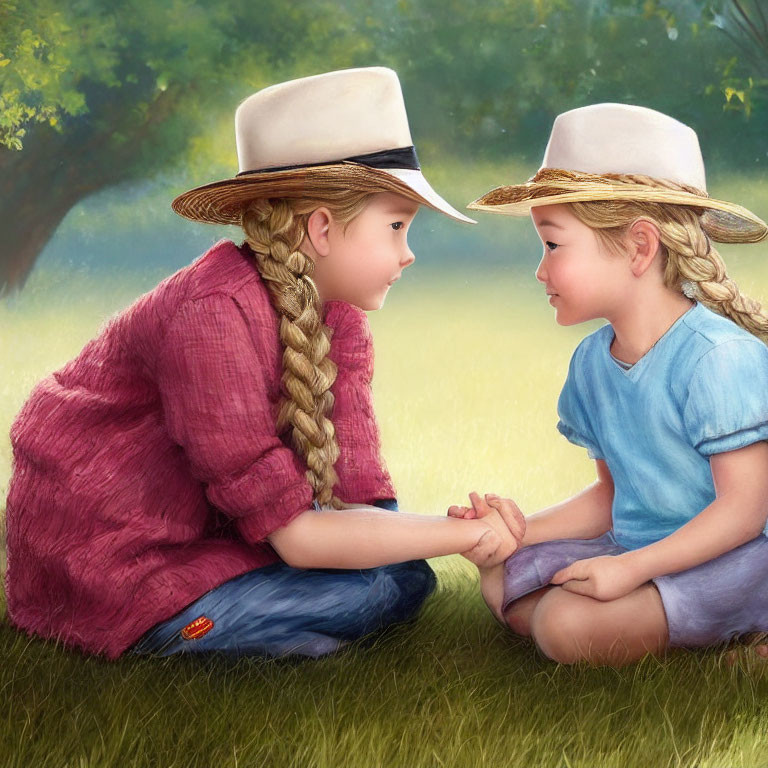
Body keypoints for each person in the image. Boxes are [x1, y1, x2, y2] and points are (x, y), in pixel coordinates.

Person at [4, 67, 524, 661]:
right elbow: (300, 539)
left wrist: (443, 529)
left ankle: (270, 631)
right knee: (379, 581)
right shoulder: (210, 313)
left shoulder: (341, 320)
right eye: (397, 227)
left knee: (406, 577)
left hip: (235, 543)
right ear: (322, 228)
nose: (408, 255)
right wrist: (464, 534)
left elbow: (361, 500)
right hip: (125, 565)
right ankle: (195, 633)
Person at [451, 103, 768, 666]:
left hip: (734, 557)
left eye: (552, 244)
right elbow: (611, 495)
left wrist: (631, 569)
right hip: (638, 546)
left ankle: (744, 633)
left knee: (564, 626)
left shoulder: (718, 358)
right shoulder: (591, 363)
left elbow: (744, 510)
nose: (539, 271)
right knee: (509, 585)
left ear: (640, 248)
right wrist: (518, 532)